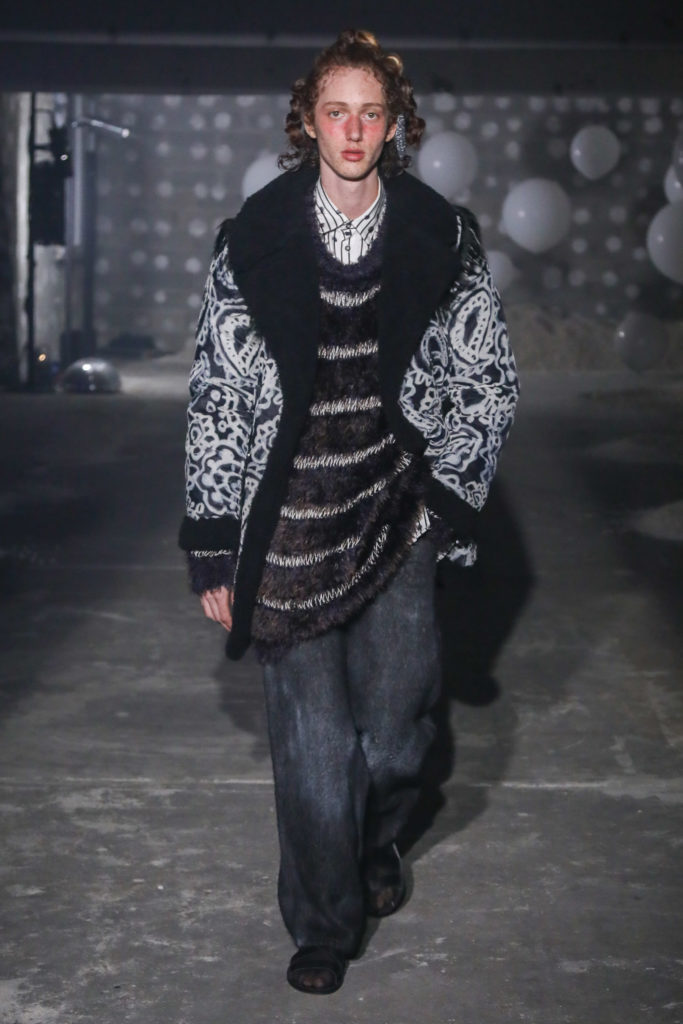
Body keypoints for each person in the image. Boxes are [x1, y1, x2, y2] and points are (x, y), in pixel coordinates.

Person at [179, 29, 519, 995]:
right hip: (286, 525)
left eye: (372, 112)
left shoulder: (440, 236)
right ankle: (323, 924)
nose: (355, 130)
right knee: (313, 748)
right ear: (308, 120)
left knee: (401, 732)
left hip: (394, 515)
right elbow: (219, 394)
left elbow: (487, 380)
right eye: (337, 111)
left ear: (395, 123)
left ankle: (377, 843)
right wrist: (214, 540)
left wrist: (442, 498)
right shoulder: (254, 238)